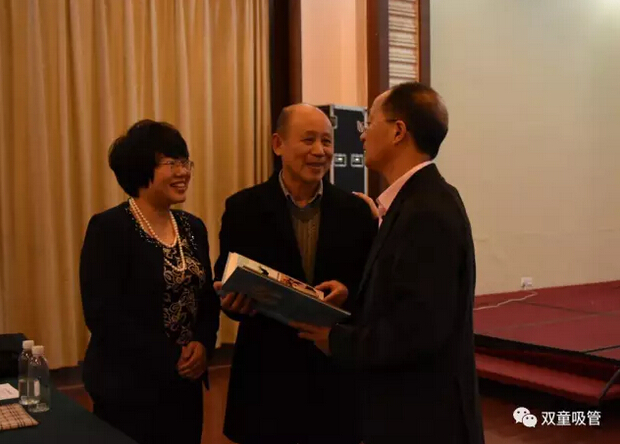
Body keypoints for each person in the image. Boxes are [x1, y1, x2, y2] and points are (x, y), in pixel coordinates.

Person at [291, 82, 486, 444]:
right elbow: (403, 296)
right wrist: (352, 296)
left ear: (398, 132)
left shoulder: (427, 211)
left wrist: (336, 339)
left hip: (424, 419)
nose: (362, 135)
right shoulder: (414, 202)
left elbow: (419, 329)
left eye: (369, 122)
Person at [213, 103, 377, 444]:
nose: (319, 151)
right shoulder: (243, 208)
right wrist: (232, 303)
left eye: (327, 141)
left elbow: (371, 283)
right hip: (267, 372)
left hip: (333, 373)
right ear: (278, 144)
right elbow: (226, 276)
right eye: (308, 140)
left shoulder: (355, 211)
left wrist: (348, 290)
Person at [79, 120, 220, 444]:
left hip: (185, 385)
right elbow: (102, 314)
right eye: (171, 163)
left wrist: (203, 344)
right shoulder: (110, 228)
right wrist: (171, 357)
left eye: (185, 162)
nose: (183, 172)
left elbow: (206, 298)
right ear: (141, 168)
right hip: (128, 387)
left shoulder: (192, 227)